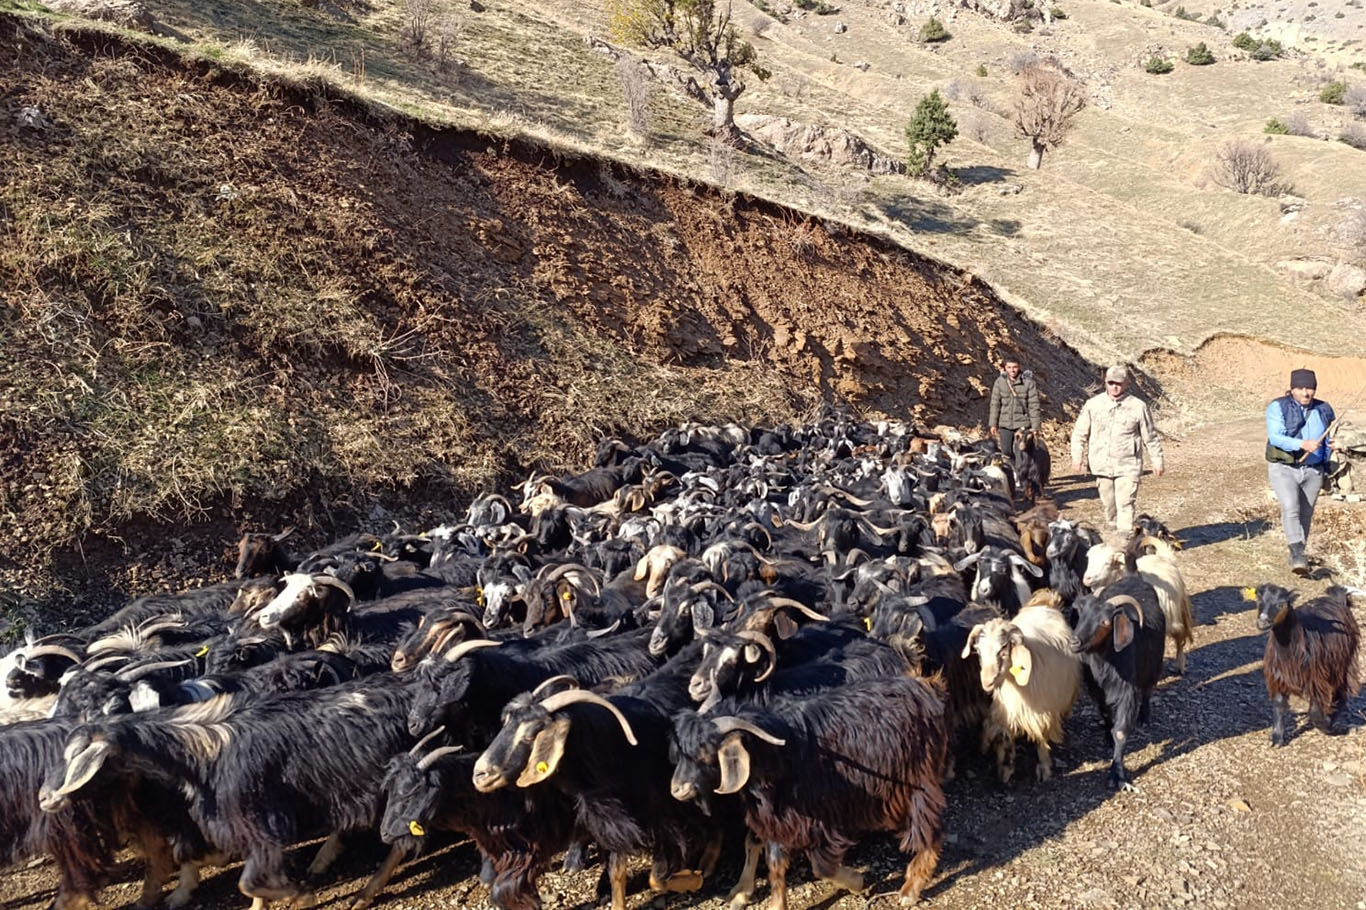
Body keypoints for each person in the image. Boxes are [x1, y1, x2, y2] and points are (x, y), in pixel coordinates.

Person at [1070, 365, 1165, 532]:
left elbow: (1150, 437)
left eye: (1119, 383)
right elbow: (1079, 433)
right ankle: (1114, 533)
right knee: (1109, 506)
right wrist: (1077, 457)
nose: (1114, 387)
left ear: (1127, 383)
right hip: (1101, 464)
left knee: (1125, 504)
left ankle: (1124, 538)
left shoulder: (1138, 406)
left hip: (1128, 465)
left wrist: (1157, 460)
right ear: (1105, 382)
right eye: (1111, 383)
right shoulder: (1093, 405)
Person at [1265, 368, 1335, 575]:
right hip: (1284, 468)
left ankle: (1298, 554)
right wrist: (1302, 444)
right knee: (1290, 507)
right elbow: (1276, 437)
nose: (1305, 393)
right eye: (1300, 388)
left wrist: (1334, 448)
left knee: (1306, 513)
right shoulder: (1277, 407)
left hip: (1314, 470)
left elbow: (1330, 438)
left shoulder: (1324, 409)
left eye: (1310, 388)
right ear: (1292, 389)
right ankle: (1297, 553)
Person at [988, 356, 1041, 461]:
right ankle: (1013, 469)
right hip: (1005, 424)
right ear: (1005, 368)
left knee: (1022, 452)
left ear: (1019, 367)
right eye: (1009, 367)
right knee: (1006, 452)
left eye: (1015, 367)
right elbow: (995, 404)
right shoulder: (999, 382)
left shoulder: (1028, 383)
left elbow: (1034, 405)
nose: (1012, 370)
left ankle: (1022, 470)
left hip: (1023, 424)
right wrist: (993, 423)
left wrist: (1035, 426)